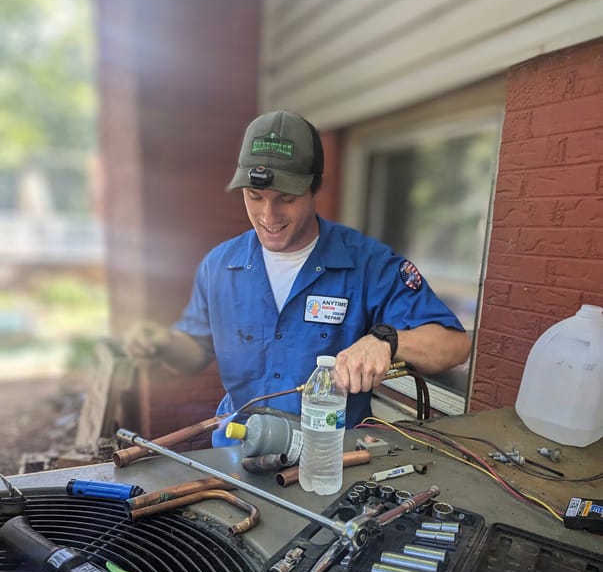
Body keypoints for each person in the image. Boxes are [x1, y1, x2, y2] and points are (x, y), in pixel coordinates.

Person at [123, 110, 471, 443]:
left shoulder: (366, 263)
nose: (267, 215)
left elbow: (455, 346)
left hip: (329, 455)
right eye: (254, 196)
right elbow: (195, 352)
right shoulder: (219, 266)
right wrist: (163, 343)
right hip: (238, 450)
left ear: (314, 187)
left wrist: (387, 341)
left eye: (286, 199)